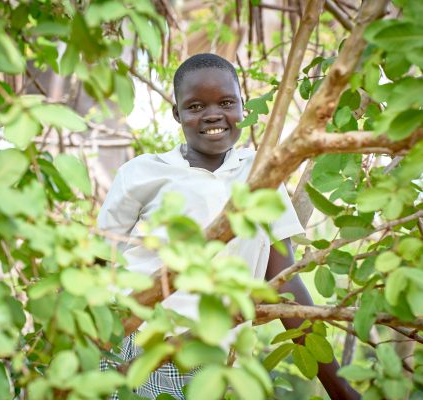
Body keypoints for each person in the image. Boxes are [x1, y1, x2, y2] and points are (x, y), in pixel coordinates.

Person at [98, 53, 359, 400]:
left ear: (241, 107)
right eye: (194, 106)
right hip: (140, 341)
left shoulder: (262, 171)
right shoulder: (142, 172)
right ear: (177, 114)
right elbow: (100, 262)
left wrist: (340, 389)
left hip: (219, 356)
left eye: (225, 102)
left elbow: (282, 279)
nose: (212, 115)